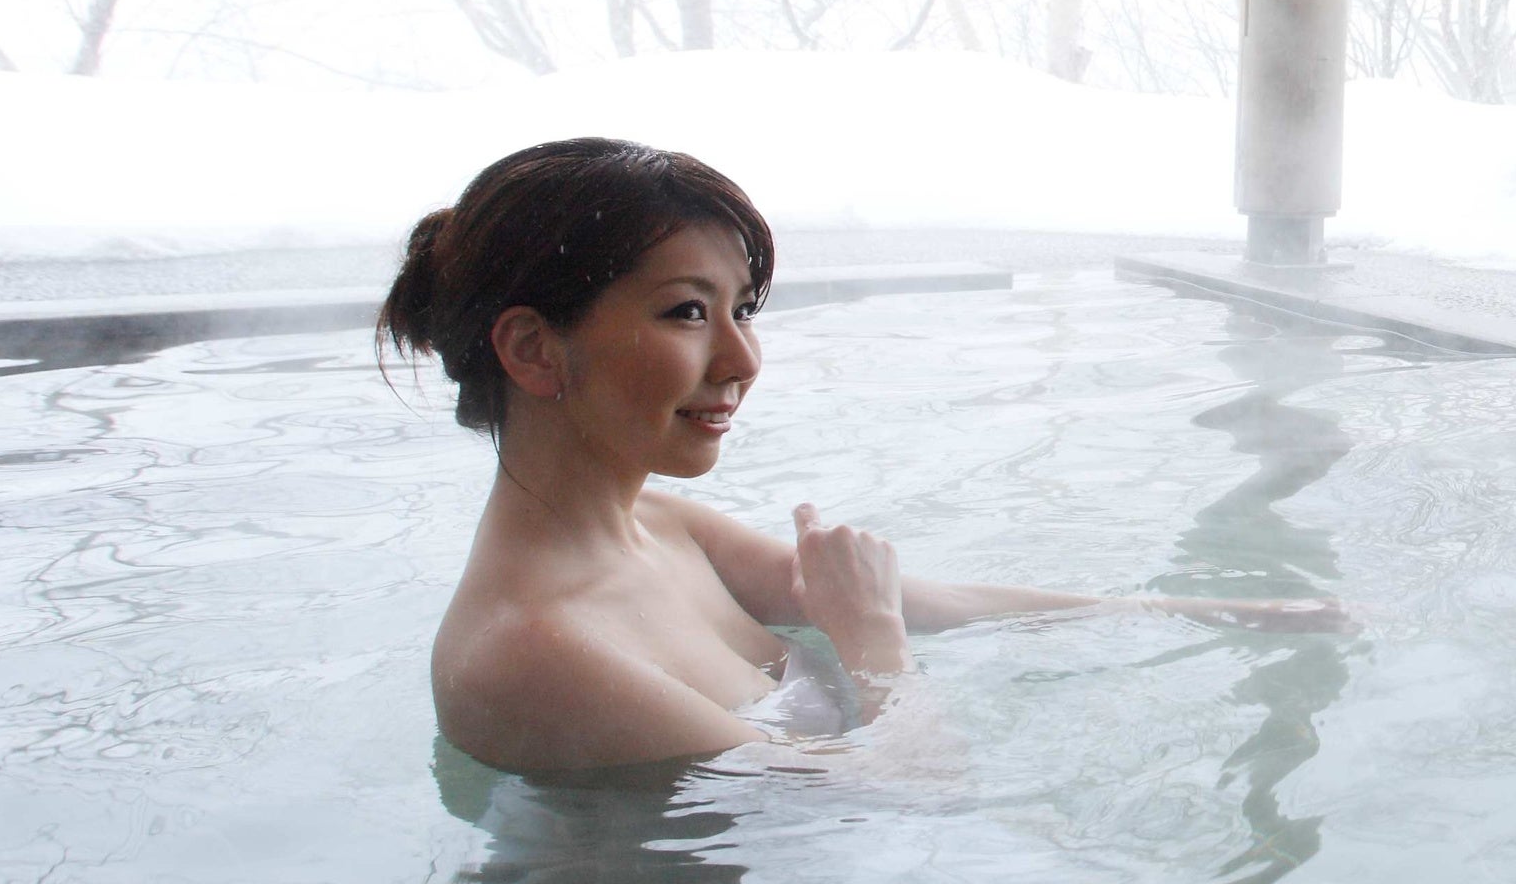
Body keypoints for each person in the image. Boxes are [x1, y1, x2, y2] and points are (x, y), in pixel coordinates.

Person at [382, 137, 1334, 775]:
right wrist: (873, 643)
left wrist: (1234, 615)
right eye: (687, 311)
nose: (743, 360)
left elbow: (937, 605)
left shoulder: (662, 529)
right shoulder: (530, 652)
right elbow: (902, 800)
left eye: (742, 310)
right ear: (532, 349)